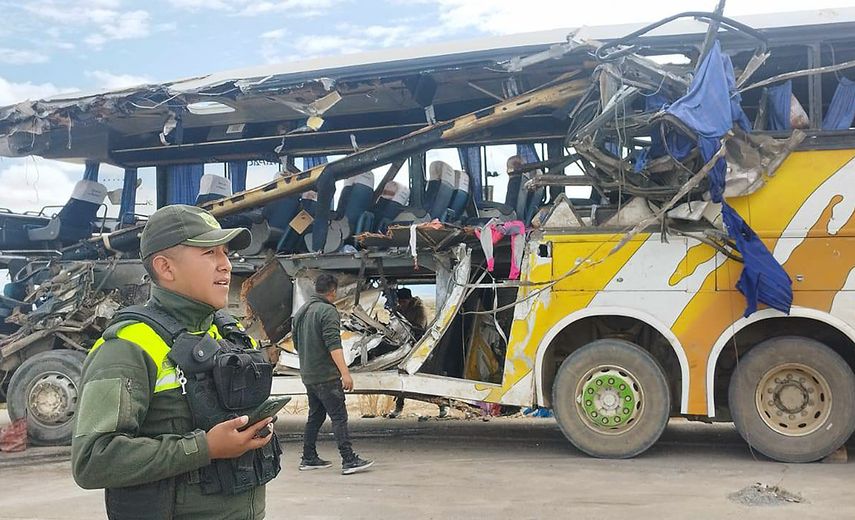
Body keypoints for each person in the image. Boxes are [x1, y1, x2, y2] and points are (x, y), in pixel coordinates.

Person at [72, 205, 281, 520]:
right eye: (209, 253)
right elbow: (92, 460)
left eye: (225, 253)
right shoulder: (129, 348)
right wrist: (205, 448)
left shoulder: (225, 332)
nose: (226, 265)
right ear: (166, 268)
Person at [295, 273, 374, 475]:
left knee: (315, 416)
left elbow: (296, 344)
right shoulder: (327, 311)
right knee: (339, 417)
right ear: (333, 291)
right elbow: (334, 345)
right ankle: (348, 460)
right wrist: (345, 374)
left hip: (309, 375)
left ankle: (309, 457)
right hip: (326, 376)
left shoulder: (302, 311)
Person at [388, 288, 449, 419]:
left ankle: (442, 405)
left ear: (409, 300)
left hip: (418, 347)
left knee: (426, 378)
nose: (401, 304)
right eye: (400, 302)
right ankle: (399, 407)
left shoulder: (419, 309)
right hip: (403, 347)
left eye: (403, 302)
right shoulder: (399, 309)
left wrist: (407, 325)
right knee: (401, 379)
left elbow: (420, 327)